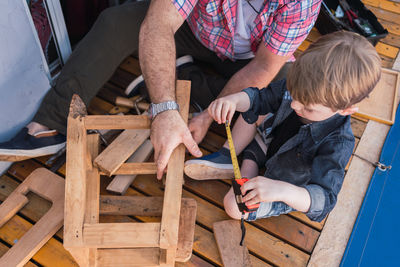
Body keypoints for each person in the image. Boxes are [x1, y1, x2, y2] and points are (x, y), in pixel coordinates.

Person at [0, 0, 322, 178]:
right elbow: (158, 24)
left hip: (248, 59)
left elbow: (264, 67)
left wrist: (209, 117)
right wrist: (165, 109)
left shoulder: (304, 2)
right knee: (117, 22)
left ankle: (181, 76)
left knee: (290, 87)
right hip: (191, 31)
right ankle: (49, 125)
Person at [184, 31, 381, 222]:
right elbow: (261, 98)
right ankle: (228, 156)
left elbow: (325, 198)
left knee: (234, 207)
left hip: (285, 182)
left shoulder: (339, 142)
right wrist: (233, 100)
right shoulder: (302, 86)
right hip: (268, 141)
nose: (294, 105)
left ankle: (247, 170)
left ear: (346, 110)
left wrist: (283, 191)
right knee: (254, 108)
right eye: (294, 95)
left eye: (308, 107)